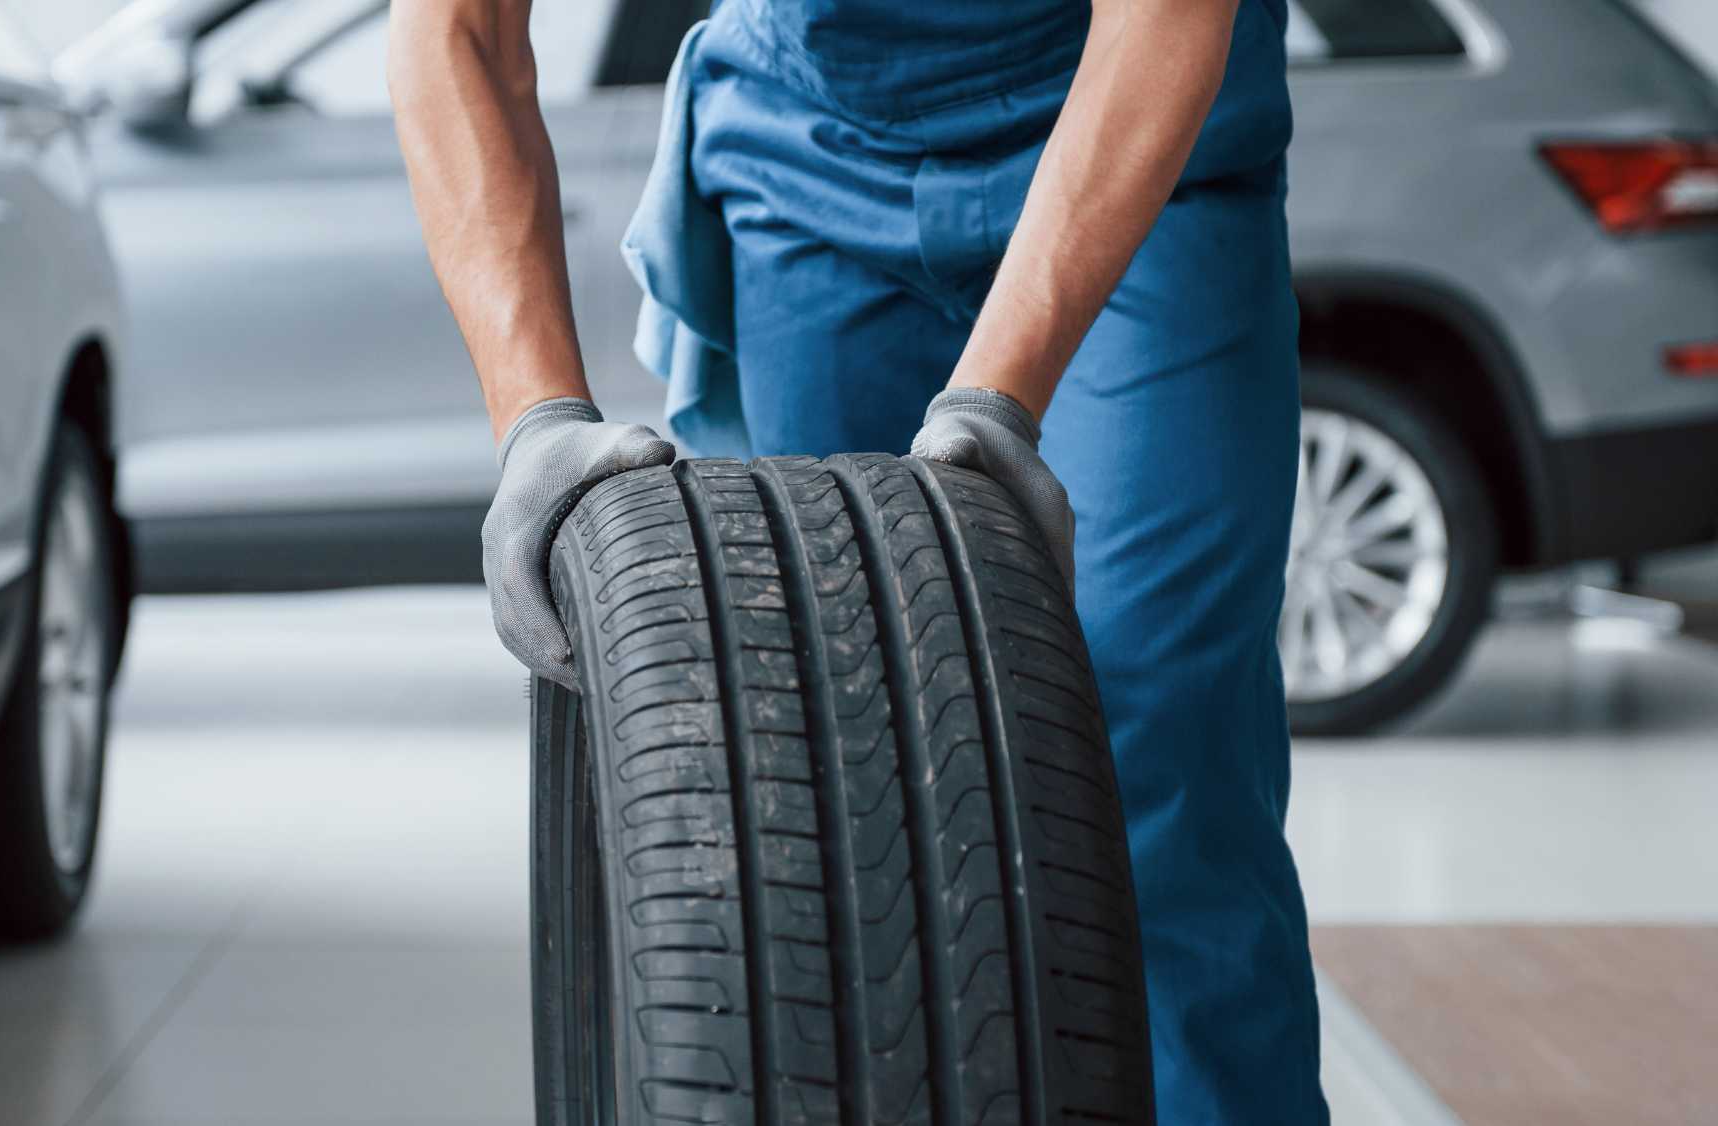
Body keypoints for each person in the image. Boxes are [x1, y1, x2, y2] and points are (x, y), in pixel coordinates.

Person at [389, 0, 1327, 1119]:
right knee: (818, 770)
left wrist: (997, 398)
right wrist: (534, 413)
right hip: (807, 153)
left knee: (1151, 752)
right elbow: (456, 26)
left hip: (1141, 145)